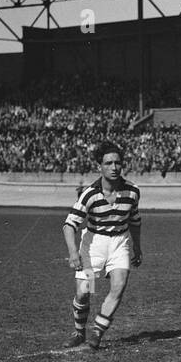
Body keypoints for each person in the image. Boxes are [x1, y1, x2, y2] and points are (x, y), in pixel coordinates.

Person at [63, 141, 142, 349]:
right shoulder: (90, 194)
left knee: (119, 285)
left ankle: (97, 332)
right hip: (94, 245)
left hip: (120, 243)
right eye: (108, 163)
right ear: (100, 166)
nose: (114, 167)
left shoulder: (132, 191)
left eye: (117, 163)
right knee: (84, 292)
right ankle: (79, 332)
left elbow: (135, 221)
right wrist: (73, 253)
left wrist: (138, 247)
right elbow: (69, 225)